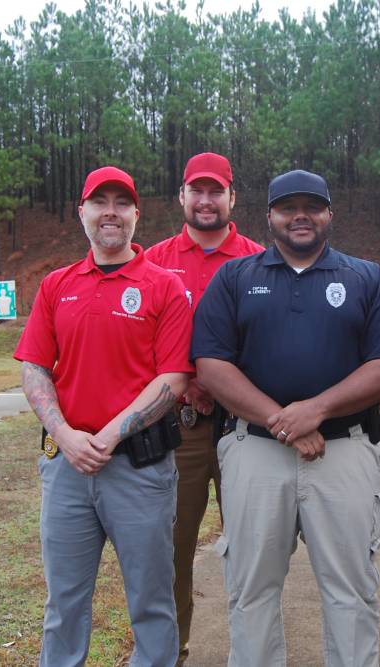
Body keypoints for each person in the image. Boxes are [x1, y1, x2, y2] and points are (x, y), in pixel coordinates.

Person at [191, 169, 380, 667]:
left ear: (329, 214)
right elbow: (211, 364)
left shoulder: (364, 277)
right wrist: (281, 421)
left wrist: (315, 410)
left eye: (312, 207)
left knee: (351, 591)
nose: (300, 216)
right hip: (255, 451)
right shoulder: (235, 278)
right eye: (288, 207)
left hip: (343, 449)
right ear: (269, 215)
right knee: (250, 592)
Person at [14, 166, 194, 666]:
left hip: (139, 469)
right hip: (66, 469)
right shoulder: (56, 286)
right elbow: (33, 368)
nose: (110, 212)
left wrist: (106, 437)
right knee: (63, 606)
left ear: (137, 214)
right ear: (82, 212)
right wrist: (66, 436)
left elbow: (173, 379)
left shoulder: (164, 287)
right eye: (100, 202)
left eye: (121, 203)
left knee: (152, 604)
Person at [146, 152, 264, 665]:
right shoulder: (151, 260)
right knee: (172, 550)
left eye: (216, 191)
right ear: (182, 197)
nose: (206, 200)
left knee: (255, 550)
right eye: (197, 190)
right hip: (182, 427)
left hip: (247, 425)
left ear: (232, 198)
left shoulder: (261, 258)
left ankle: (252, 652)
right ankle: (174, 651)